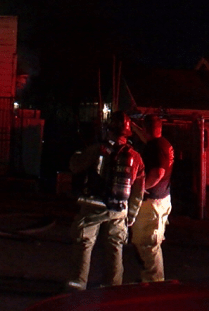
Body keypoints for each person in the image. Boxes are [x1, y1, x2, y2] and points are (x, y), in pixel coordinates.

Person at [66, 110, 145, 290]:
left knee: (84, 244)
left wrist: (79, 152)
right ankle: (113, 289)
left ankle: (77, 287)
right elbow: (138, 190)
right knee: (115, 248)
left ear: (108, 130)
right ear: (127, 134)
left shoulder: (97, 149)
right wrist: (131, 215)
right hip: (119, 209)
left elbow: (75, 166)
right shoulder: (136, 157)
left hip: (93, 206)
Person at [130, 114, 174, 282]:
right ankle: (152, 282)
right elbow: (147, 136)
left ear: (147, 129)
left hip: (151, 204)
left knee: (146, 245)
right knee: (151, 243)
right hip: (162, 200)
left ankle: (154, 284)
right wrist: (135, 127)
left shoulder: (154, 148)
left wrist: (140, 189)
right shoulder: (164, 143)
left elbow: (157, 173)